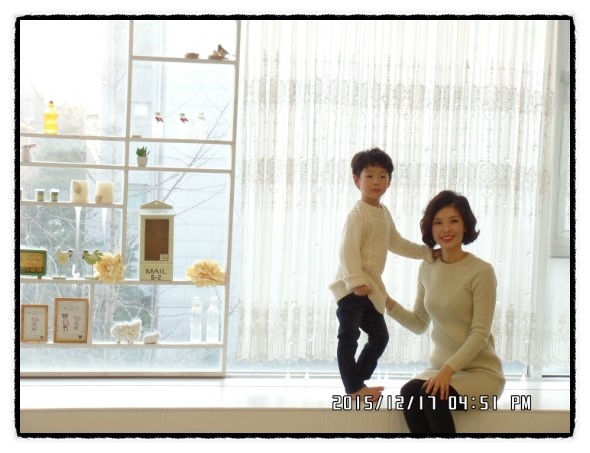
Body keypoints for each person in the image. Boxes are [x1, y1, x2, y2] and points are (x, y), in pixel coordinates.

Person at [386, 190, 505, 434]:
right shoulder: (427, 268)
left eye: (453, 221)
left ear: (465, 226)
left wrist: (447, 371)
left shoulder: (481, 271)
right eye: (438, 222)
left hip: (480, 372)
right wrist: (386, 302)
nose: (446, 229)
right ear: (430, 228)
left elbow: (479, 334)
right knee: (409, 393)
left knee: (431, 397)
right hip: (441, 370)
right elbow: (419, 323)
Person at [329, 148, 436, 402]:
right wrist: (356, 282)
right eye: (369, 176)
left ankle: (357, 383)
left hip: (371, 289)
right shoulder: (357, 215)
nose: (376, 181)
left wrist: (427, 253)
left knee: (380, 338)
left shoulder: (383, 213)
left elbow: (396, 243)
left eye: (382, 176)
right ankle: (354, 388)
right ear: (357, 180)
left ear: (389, 181)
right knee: (348, 338)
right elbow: (347, 252)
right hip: (351, 289)